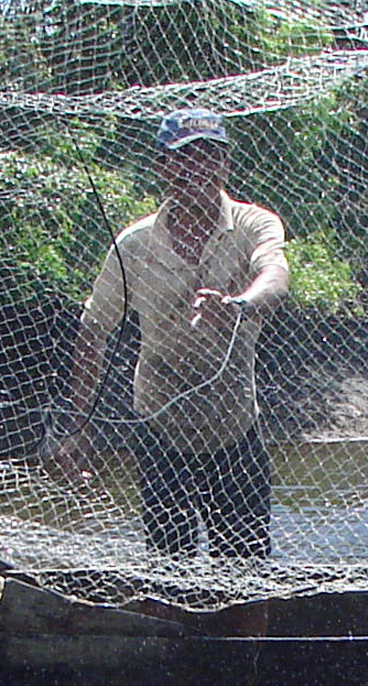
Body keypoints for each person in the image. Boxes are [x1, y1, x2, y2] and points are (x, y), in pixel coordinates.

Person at [49, 110, 291, 557]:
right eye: (182, 159)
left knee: (246, 571)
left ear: (225, 165)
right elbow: (94, 330)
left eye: (207, 158)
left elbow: (275, 272)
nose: (194, 170)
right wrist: (78, 428)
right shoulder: (134, 245)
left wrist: (242, 305)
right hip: (160, 428)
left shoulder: (255, 223)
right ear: (162, 167)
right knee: (168, 568)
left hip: (234, 428)